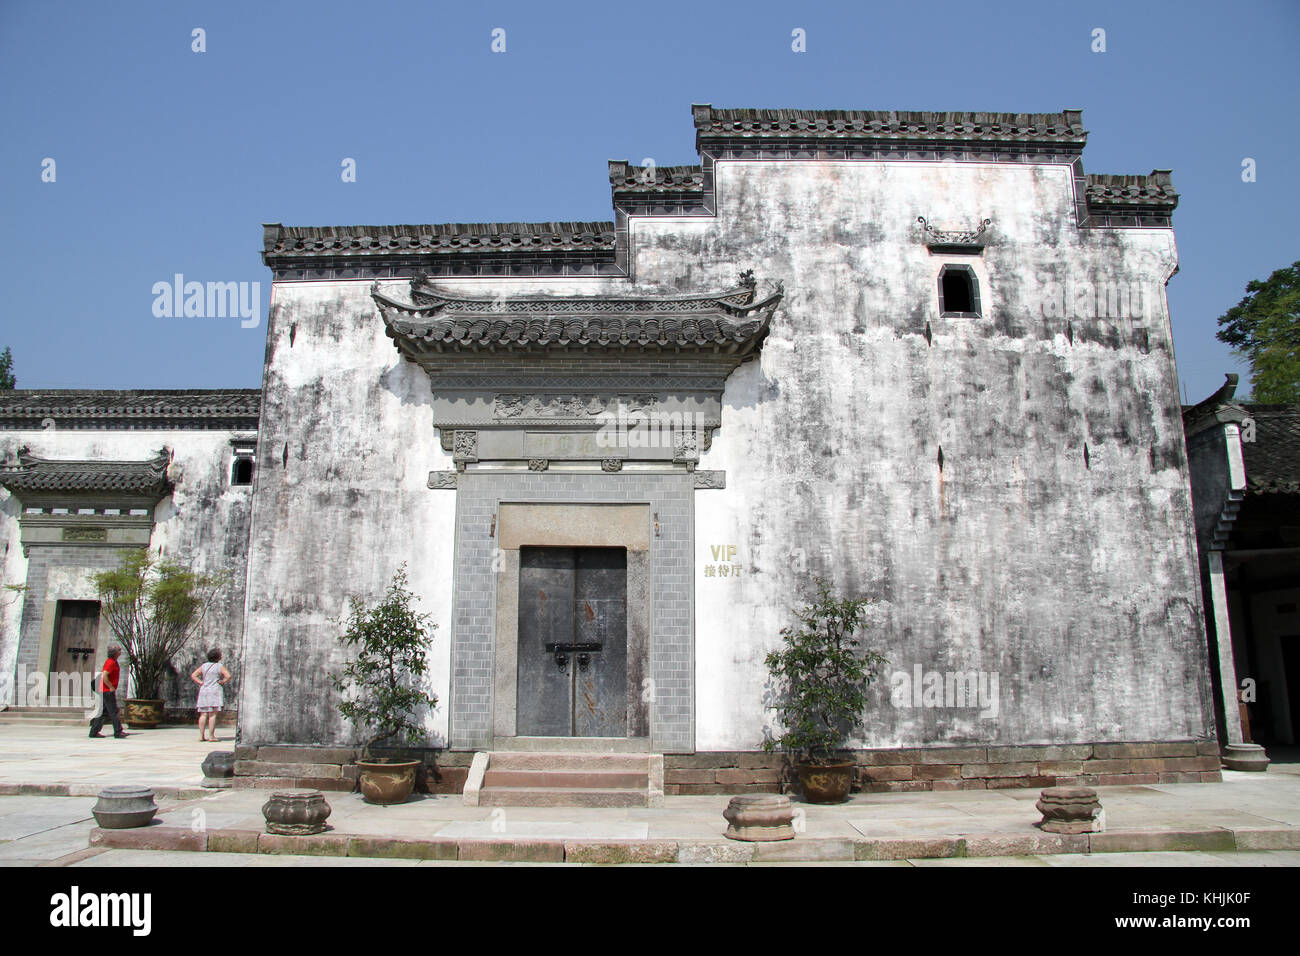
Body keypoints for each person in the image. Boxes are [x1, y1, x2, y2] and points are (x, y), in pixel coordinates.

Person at [191, 649, 231, 742]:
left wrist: (201, 682)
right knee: (212, 714)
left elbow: (194, 675)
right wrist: (223, 681)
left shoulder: (204, 666)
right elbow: (228, 676)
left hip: (204, 690)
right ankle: (211, 736)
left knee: (203, 714)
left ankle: (201, 736)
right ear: (218, 657)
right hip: (215, 691)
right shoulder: (219, 666)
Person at [88, 645, 128, 739]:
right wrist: (110, 687)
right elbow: (104, 676)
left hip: (105, 690)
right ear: (114, 653)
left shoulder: (114, 662)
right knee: (113, 711)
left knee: (103, 712)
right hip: (107, 691)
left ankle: (94, 732)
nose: (120, 651)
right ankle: (118, 732)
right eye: (119, 650)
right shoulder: (110, 663)